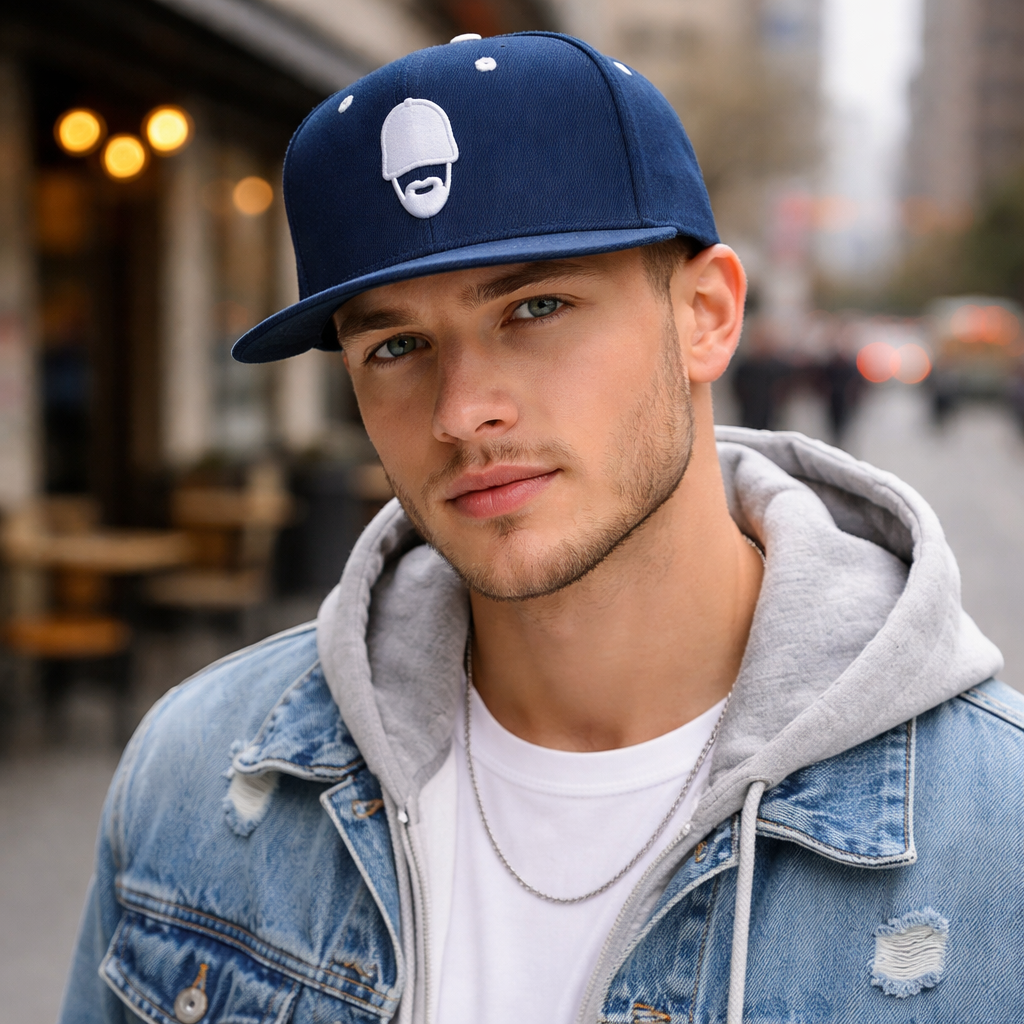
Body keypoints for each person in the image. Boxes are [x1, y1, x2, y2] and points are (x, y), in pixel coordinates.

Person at [61, 32, 1024, 1024]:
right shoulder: (202, 775)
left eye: (536, 306)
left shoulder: (996, 838)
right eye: (395, 343)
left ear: (705, 314)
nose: (461, 409)